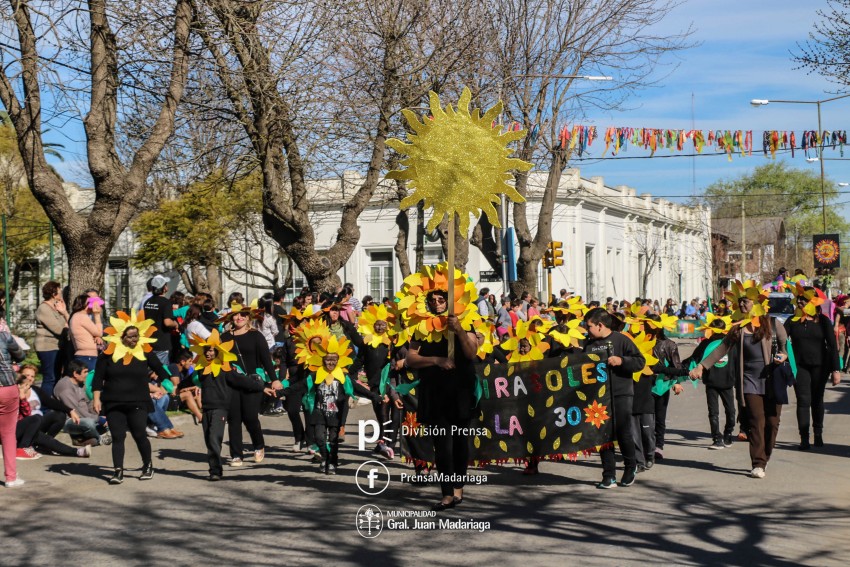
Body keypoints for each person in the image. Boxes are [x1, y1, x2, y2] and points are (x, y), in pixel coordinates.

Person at [691, 282, 788, 478]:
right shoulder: (738, 328)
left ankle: (765, 456)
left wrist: (783, 356)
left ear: (757, 302)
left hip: (771, 380)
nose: (742, 305)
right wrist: (702, 366)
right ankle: (758, 463)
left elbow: (785, 348)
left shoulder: (772, 323)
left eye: (746, 301)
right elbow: (721, 349)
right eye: (739, 302)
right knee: (756, 421)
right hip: (749, 381)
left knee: (772, 423)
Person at [406, 289, 480, 511]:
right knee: (442, 445)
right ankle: (446, 494)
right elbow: (411, 358)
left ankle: (458, 487)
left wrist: (458, 330)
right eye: (432, 300)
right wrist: (436, 360)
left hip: (461, 392)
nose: (437, 303)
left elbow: (471, 353)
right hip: (435, 391)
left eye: (441, 300)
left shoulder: (467, 320)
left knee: (460, 442)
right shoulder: (422, 326)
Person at [92, 312, 176, 484]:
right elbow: (97, 379)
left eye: (137, 336)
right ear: (121, 336)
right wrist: (96, 399)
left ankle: (147, 465)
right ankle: (118, 471)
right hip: (113, 401)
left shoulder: (144, 352)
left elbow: (161, 370)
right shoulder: (107, 355)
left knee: (139, 434)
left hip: (138, 400)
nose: (134, 339)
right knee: (118, 436)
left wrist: (167, 385)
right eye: (130, 337)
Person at [190, 334, 274, 481]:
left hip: (220, 408)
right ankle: (215, 468)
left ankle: (215, 471)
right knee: (209, 440)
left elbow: (243, 381)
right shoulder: (201, 369)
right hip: (207, 408)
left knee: (214, 438)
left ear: (218, 351)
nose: (209, 353)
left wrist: (262, 387)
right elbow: (188, 381)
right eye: (206, 350)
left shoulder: (226, 369)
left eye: (211, 350)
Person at [583, 307, 645, 489]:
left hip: (621, 393)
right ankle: (608, 475)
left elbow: (640, 362)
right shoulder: (589, 344)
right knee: (603, 435)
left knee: (623, 432)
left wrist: (622, 361)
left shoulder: (622, 340)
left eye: (589, 327)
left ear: (600, 325)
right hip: (598, 396)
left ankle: (630, 467)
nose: (587, 331)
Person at [218, 304, 282, 466]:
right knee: (234, 419)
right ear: (231, 318)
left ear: (248, 317)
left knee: (250, 417)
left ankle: (259, 445)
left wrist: (274, 379)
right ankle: (236, 455)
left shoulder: (256, 336)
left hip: (252, 382)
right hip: (232, 382)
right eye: (235, 316)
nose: (239, 318)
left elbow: (266, 360)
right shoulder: (224, 337)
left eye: (243, 315)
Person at [784, 285, 841, 450]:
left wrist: (836, 370)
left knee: (817, 400)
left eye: (804, 298)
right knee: (803, 400)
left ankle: (818, 433)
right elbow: (781, 339)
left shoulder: (823, 320)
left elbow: (832, 345)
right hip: (800, 366)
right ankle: (804, 437)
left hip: (820, 366)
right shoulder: (793, 320)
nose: (800, 301)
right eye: (798, 298)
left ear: (812, 301)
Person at [691, 318, 737, 449]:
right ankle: (717, 438)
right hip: (711, 381)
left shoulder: (730, 343)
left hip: (727, 381)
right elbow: (694, 358)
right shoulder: (706, 344)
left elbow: (737, 360)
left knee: (730, 411)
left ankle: (728, 433)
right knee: (713, 412)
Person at [53, 360, 111, 446]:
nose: (87, 374)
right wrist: (98, 419)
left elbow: (88, 402)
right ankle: (99, 439)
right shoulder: (65, 388)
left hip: (84, 416)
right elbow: (76, 412)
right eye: (85, 372)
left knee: (101, 403)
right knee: (89, 423)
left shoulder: (80, 383)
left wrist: (98, 413)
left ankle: (83, 439)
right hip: (70, 420)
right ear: (75, 374)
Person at [34, 281, 70, 397]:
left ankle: (53, 404)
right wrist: (67, 326)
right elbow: (59, 329)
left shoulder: (56, 307)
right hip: (47, 348)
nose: (61, 295)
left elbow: (69, 324)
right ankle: (45, 407)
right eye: (60, 292)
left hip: (57, 346)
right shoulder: (44, 309)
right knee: (50, 378)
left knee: (56, 376)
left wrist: (64, 312)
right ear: (54, 294)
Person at [1, 328, 25, 486]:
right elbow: (21, 355)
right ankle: (11, 477)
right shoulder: (4, 335)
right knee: (8, 433)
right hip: (6, 388)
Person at [142, 275, 178, 366]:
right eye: (166, 285)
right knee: (161, 371)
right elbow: (167, 322)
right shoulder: (166, 303)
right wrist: (175, 324)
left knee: (150, 370)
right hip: (162, 343)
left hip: (149, 341)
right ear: (164, 288)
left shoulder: (147, 302)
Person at [69, 294, 104, 370]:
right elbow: (99, 332)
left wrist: (96, 336)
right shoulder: (81, 316)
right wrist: (97, 315)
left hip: (85, 355)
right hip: (87, 356)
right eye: (90, 302)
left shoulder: (76, 316)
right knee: (89, 380)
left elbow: (92, 332)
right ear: (84, 304)